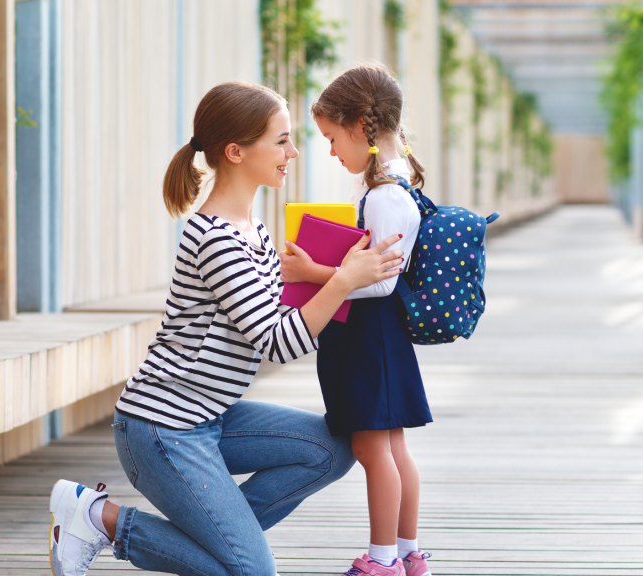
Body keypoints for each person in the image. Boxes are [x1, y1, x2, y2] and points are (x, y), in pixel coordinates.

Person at [47, 81, 406, 576]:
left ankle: (222, 541)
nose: (294, 152)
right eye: (281, 140)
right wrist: (343, 281)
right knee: (252, 572)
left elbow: (282, 320)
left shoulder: (253, 231)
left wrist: (327, 277)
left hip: (213, 415)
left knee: (333, 448)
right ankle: (100, 518)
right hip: (162, 427)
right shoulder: (215, 238)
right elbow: (277, 342)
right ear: (236, 152)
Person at [279, 64, 432, 576]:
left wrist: (312, 269)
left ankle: (382, 559)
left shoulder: (385, 195)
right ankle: (407, 554)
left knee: (373, 450)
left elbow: (380, 280)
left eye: (331, 137)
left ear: (361, 126)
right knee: (392, 449)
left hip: (369, 338)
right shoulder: (392, 186)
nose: (329, 151)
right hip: (376, 338)